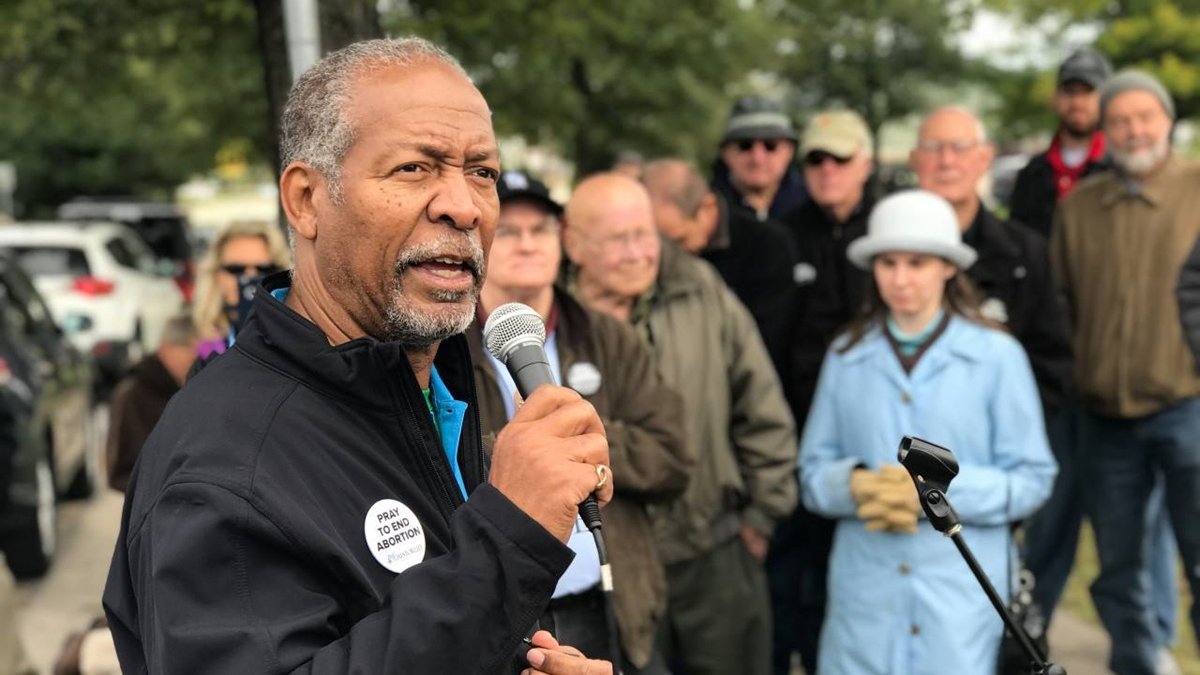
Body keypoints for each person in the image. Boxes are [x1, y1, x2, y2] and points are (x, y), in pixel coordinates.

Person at [103, 37, 615, 675]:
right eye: (414, 168)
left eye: (481, 171)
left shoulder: (431, 384)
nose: (463, 205)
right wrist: (506, 540)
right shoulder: (222, 471)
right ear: (306, 201)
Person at [799, 189, 1057, 675]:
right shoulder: (845, 355)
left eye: (916, 263)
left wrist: (935, 497)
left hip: (962, 597)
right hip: (865, 599)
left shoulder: (997, 356)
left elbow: (1033, 477)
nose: (899, 279)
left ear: (948, 267)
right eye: (887, 263)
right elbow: (811, 472)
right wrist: (852, 484)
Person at [564, 173, 797, 675]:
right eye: (616, 239)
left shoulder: (700, 290)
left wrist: (761, 519)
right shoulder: (552, 321)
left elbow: (761, 406)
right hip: (611, 567)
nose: (637, 253)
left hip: (713, 551)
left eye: (644, 234)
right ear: (574, 244)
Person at [467, 170, 690, 673]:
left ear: (562, 241)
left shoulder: (610, 338)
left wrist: (579, 446)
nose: (526, 244)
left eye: (540, 229)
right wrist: (526, 453)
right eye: (509, 230)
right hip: (505, 612)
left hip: (611, 600)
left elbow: (672, 456)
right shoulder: (441, 352)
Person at [1052, 70, 1200, 675]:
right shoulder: (1080, 207)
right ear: (1104, 129)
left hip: (1187, 407)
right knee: (1118, 571)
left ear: (1167, 120)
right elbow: (1060, 304)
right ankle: (1141, 665)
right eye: (1120, 119)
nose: (1134, 129)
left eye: (1145, 115)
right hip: (1104, 420)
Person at [767, 108, 876, 675]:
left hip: (875, 445)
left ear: (867, 163)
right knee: (790, 588)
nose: (828, 169)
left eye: (840, 158)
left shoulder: (887, 236)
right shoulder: (784, 236)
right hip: (796, 441)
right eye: (816, 159)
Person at [641, 158, 798, 375]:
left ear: (707, 208)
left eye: (679, 240)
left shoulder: (767, 245)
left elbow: (767, 344)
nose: (667, 254)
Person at [1010, 49, 1113, 237]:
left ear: (1106, 98)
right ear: (1055, 98)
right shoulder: (1032, 174)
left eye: (1087, 92)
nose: (1077, 102)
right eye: (1070, 92)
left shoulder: (1119, 170)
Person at [105, 313, 198, 492]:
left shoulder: (187, 388)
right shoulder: (133, 392)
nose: (195, 359)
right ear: (167, 348)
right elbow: (119, 470)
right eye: (191, 350)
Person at [191, 219, 292, 358]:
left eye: (264, 269)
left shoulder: (298, 341)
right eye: (236, 269)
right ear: (216, 275)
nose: (249, 278)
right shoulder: (200, 348)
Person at [711, 97, 808, 222]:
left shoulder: (815, 209)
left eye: (770, 146)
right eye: (745, 145)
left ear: (789, 151)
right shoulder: (706, 210)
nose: (757, 158)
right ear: (725, 152)